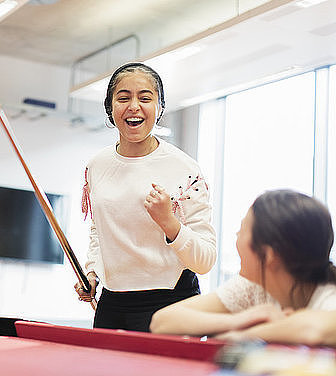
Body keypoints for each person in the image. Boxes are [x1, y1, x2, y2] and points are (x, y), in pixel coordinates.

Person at [76, 62, 217, 332]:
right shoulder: (97, 165)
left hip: (172, 303)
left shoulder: (185, 169)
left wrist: (169, 222)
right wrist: (92, 271)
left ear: (160, 107)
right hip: (112, 303)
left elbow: (205, 260)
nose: (134, 106)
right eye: (123, 97)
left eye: (145, 97)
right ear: (110, 107)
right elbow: (100, 230)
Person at [150, 190, 336, 341]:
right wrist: (241, 319)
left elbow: (313, 329)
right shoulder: (253, 287)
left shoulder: (328, 296)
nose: (236, 238)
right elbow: (162, 322)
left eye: (243, 230)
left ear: (269, 254)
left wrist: (242, 335)